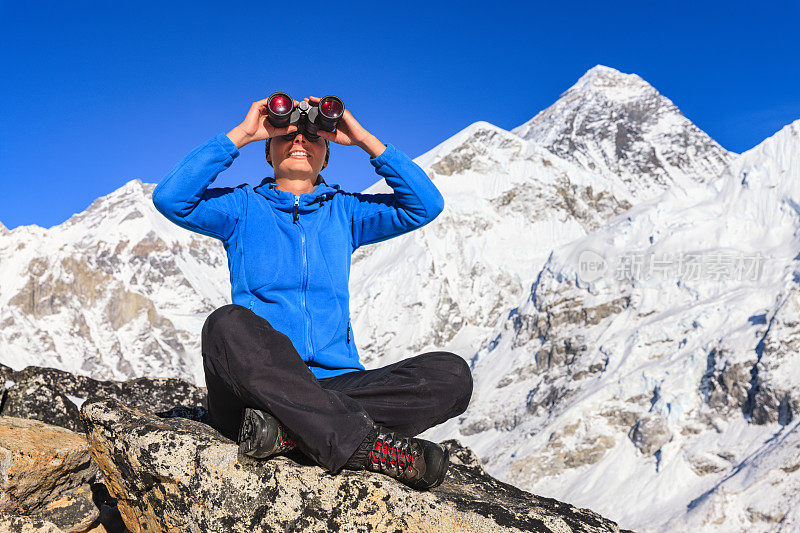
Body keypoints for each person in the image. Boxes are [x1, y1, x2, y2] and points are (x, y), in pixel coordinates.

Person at [152, 95, 473, 491]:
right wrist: (242, 134)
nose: (299, 141)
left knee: (452, 375)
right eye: (286, 135)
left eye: (312, 136)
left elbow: (425, 205)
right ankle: (361, 445)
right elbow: (170, 198)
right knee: (226, 324)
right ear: (268, 151)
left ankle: (290, 434)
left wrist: (363, 139)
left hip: (333, 385)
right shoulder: (240, 208)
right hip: (255, 392)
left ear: (327, 153)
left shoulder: (348, 212)